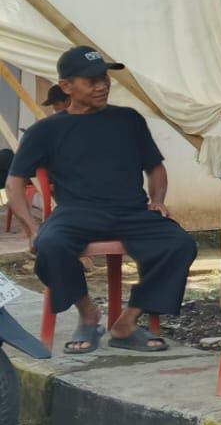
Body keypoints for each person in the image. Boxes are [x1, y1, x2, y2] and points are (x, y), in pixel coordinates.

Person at [3, 47, 197, 354]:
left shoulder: (128, 120)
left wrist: (158, 199)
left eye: (104, 78)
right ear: (66, 86)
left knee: (181, 245)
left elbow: (155, 167)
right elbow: (14, 182)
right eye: (91, 81)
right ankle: (88, 313)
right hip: (77, 213)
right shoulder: (45, 130)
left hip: (132, 211)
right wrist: (31, 228)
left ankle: (127, 322)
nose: (102, 85)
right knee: (49, 245)